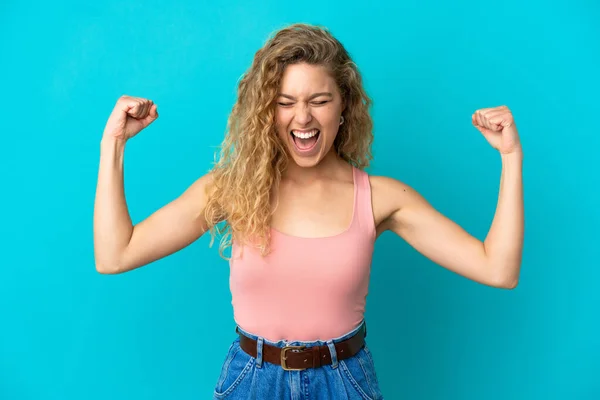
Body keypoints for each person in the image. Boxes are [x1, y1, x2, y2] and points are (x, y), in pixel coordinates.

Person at [93, 23, 524, 399]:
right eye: (284, 102)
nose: (303, 117)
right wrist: (112, 145)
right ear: (265, 110)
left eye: (319, 100)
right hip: (250, 381)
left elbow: (497, 268)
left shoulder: (381, 197)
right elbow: (116, 255)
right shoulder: (232, 188)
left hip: (345, 381)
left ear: (344, 107)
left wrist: (510, 158)